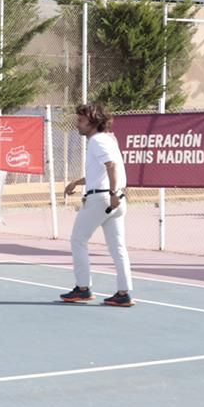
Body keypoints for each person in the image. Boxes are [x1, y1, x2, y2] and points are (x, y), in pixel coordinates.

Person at [60, 103, 134, 307]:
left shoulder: (97, 142)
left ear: (93, 122)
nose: (78, 124)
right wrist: (77, 182)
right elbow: (100, 172)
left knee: (78, 240)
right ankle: (123, 293)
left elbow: (111, 166)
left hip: (102, 199)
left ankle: (83, 289)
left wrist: (112, 193)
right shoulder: (108, 139)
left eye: (81, 121)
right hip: (114, 200)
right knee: (118, 247)